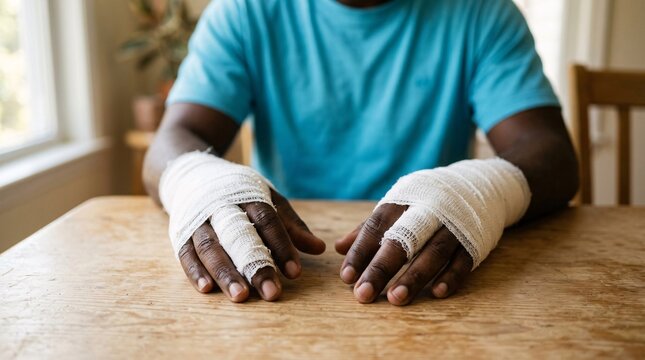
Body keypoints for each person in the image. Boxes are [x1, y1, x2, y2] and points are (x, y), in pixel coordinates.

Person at [143, 0, 578, 306]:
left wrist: (470, 192)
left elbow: (550, 153)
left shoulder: (482, 12)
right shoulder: (244, 11)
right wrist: (203, 182)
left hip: (430, 264)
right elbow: (176, 135)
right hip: (291, 272)